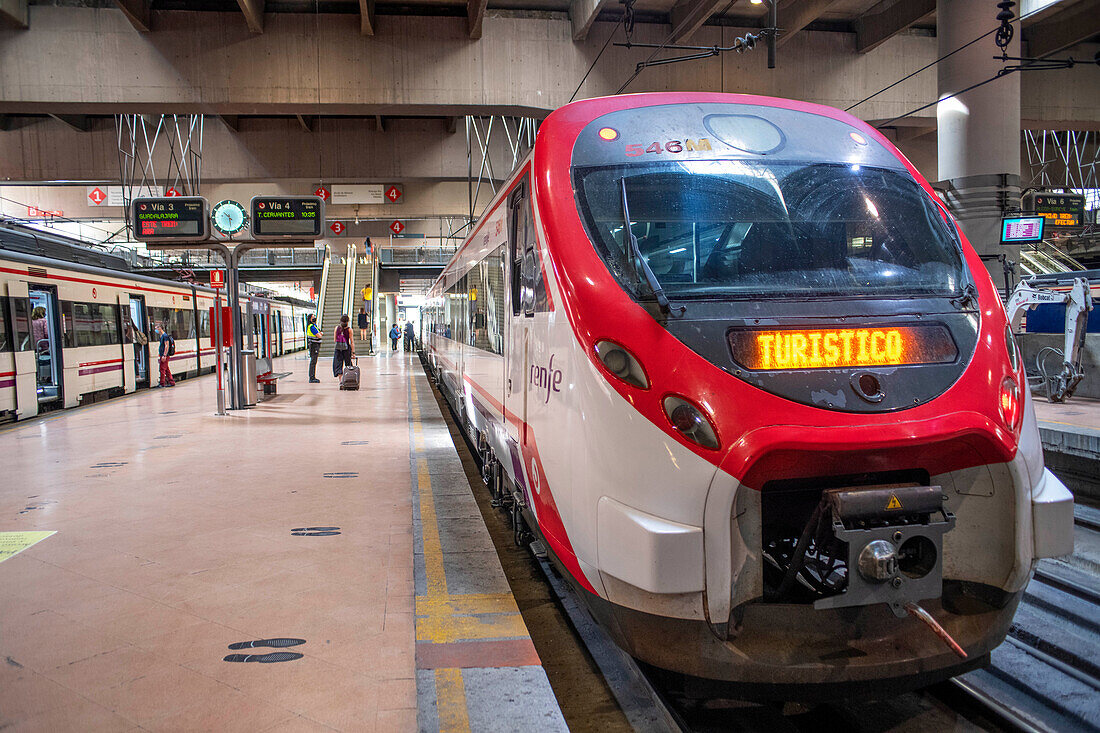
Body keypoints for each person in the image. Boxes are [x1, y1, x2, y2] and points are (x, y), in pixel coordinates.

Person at [306, 315, 322, 383]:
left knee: (313, 361)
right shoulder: (312, 327)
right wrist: (320, 334)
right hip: (314, 346)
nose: (315, 318)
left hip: (314, 345)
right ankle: (312, 377)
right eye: (313, 317)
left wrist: (320, 333)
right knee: (313, 362)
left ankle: (312, 377)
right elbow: (319, 335)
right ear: (310, 319)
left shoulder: (314, 326)